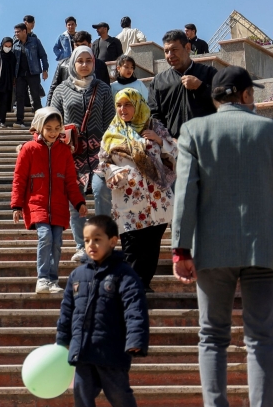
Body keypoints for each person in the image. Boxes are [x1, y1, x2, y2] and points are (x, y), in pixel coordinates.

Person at [171, 66, 273, 407]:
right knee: (261, 338)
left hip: (212, 249)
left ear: (215, 97)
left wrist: (181, 248)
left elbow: (185, 194)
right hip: (266, 245)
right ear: (244, 95)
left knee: (212, 337)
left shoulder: (194, 131)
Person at [57, 215, 150, 407]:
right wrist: (62, 342)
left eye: (97, 239)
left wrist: (136, 340)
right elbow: (67, 310)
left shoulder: (124, 275)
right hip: (83, 349)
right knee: (82, 393)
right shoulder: (77, 276)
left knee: (119, 395)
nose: (91, 245)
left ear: (113, 241)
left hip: (111, 350)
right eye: (87, 240)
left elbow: (134, 309)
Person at [98, 89, 177, 291]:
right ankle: (132, 288)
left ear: (137, 104)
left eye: (128, 104)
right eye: (119, 105)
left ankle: (142, 285)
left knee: (151, 248)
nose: (123, 109)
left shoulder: (154, 125)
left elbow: (176, 153)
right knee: (131, 249)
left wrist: (160, 141)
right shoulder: (111, 132)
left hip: (157, 200)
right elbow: (102, 163)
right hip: (128, 201)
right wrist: (113, 171)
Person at [48, 46, 115, 262]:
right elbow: (52, 121)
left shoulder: (103, 89)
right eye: (80, 61)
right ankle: (80, 245)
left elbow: (111, 122)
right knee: (74, 201)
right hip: (71, 154)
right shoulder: (61, 90)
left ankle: (104, 241)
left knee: (101, 189)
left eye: (88, 61)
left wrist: (108, 149)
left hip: (99, 153)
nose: (84, 65)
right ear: (73, 64)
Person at [11, 107, 86, 294]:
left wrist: (79, 202)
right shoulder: (28, 149)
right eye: (49, 128)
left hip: (59, 205)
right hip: (36, 203)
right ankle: (42, 278)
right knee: (45, 237)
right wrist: (17, 205)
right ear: (39, 127)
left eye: (56, 128)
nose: (53, 132)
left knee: (57, 242)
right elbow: (19, 178)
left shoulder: (64, 151)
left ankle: (52, 280)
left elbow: (70, 180)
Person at [148, 30, 217, 138]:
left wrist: (201, 87)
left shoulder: (209, 73)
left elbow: (225, 103)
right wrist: (168, 140)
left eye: (174, 50)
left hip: (207, 144)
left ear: (188, 48)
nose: (170, 55)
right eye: (166, 51)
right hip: (174, 149)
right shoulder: (158, 81)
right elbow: (154, 116)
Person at [47, 31, 111, 101]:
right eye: (77, 45)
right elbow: (54, 88)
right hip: (68, 105)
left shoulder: (100, 65)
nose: (80, 48)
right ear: (74, 45)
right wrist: (49, 109)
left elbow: (106, 89)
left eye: (83, 45)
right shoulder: (63, 65)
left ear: (90, 45)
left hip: (94, 105)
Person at [0, 36, 25, 127]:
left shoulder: (12, 55)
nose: (7, 48)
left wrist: (14, 79)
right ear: (2, 44)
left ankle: (2, 120)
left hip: (8, 81)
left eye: (10, 46)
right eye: (6, 45)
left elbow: (15, 69)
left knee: (5, 101)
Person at [22, 15, 51, 108]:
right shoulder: (16, 39)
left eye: (33, 23)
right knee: (20, 94)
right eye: (31, 22)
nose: (32, 25)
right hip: (20, 71)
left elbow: (43, 55)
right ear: (25, 23)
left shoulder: (35, 39)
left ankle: (38, 114)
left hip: (34, 71)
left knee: (35, 94)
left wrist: (45, 69)